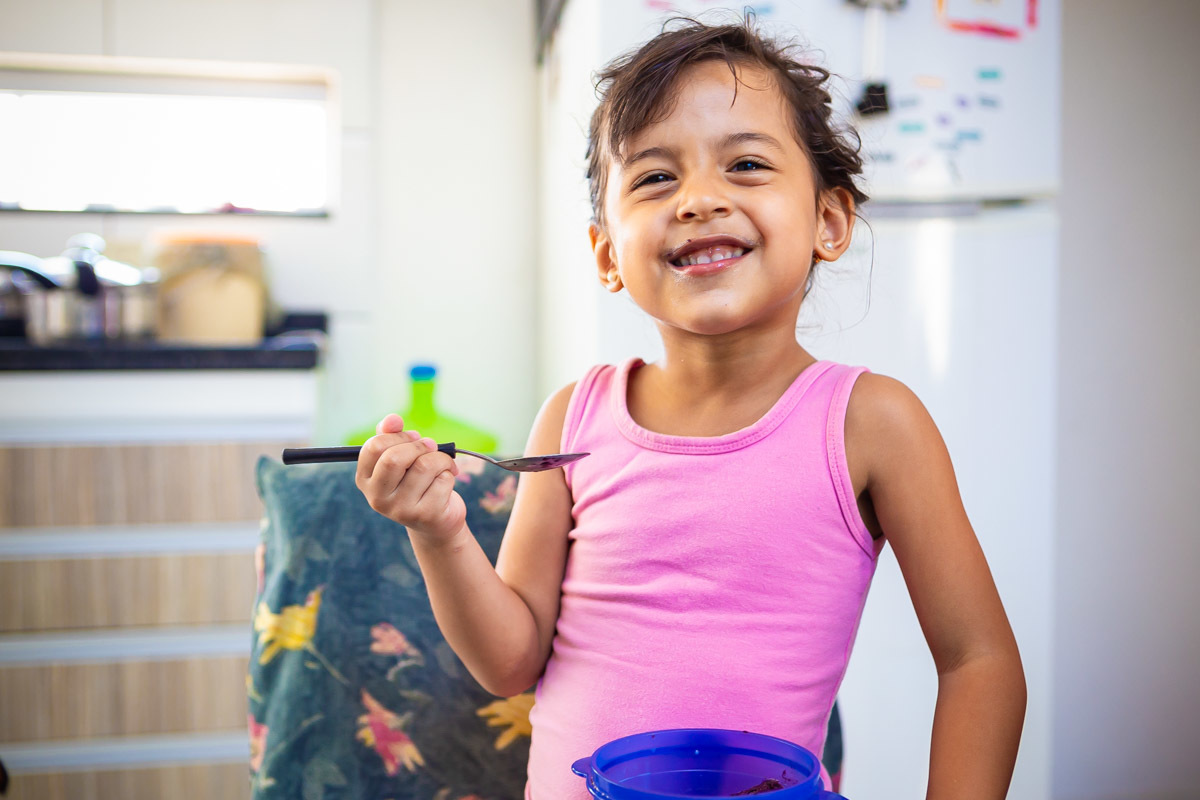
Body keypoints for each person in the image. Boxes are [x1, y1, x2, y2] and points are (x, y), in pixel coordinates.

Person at [356, 17, 1026, 800]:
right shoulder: (573, 417)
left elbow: (980, 661)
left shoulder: (870, 422)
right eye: (654, 179)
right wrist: (437, 532)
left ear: (829, 221)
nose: (699, 199)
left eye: (745, 164)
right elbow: (510, 663)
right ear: (608, 253)